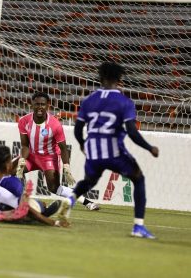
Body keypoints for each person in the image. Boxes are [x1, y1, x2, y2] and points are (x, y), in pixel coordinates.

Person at [57, 61, 159, 238]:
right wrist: (149, 147)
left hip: (93, 151)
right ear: (119, 79)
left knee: (89, 181)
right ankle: (138, 227)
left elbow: (77, 128)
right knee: (138, 179)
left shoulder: (89, 100)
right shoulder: (124, 102)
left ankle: (69, 200)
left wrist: (82, 143)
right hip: (114, 152)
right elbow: (132, 132)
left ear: (100, 77)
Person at [15, 91, 99, 211]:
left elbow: (63, 148)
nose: (40, 107)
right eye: (37, 104)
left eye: (42, 104)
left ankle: (87, 202)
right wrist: (22, 160)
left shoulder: (55, 125)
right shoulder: (24, 121)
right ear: (32, 104)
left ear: (48, 105)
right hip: (31, 156)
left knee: (55, 188)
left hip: (49, 158)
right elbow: (25, 145)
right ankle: (8, 200)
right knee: (9, 170)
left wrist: (66, 166)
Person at [0, 145, 65, 226]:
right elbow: (24, 206)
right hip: (10, 212)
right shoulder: (13, 183)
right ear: (7, 164)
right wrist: (53, 222)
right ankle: (42, 211)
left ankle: (39, 208)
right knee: (31, 204)